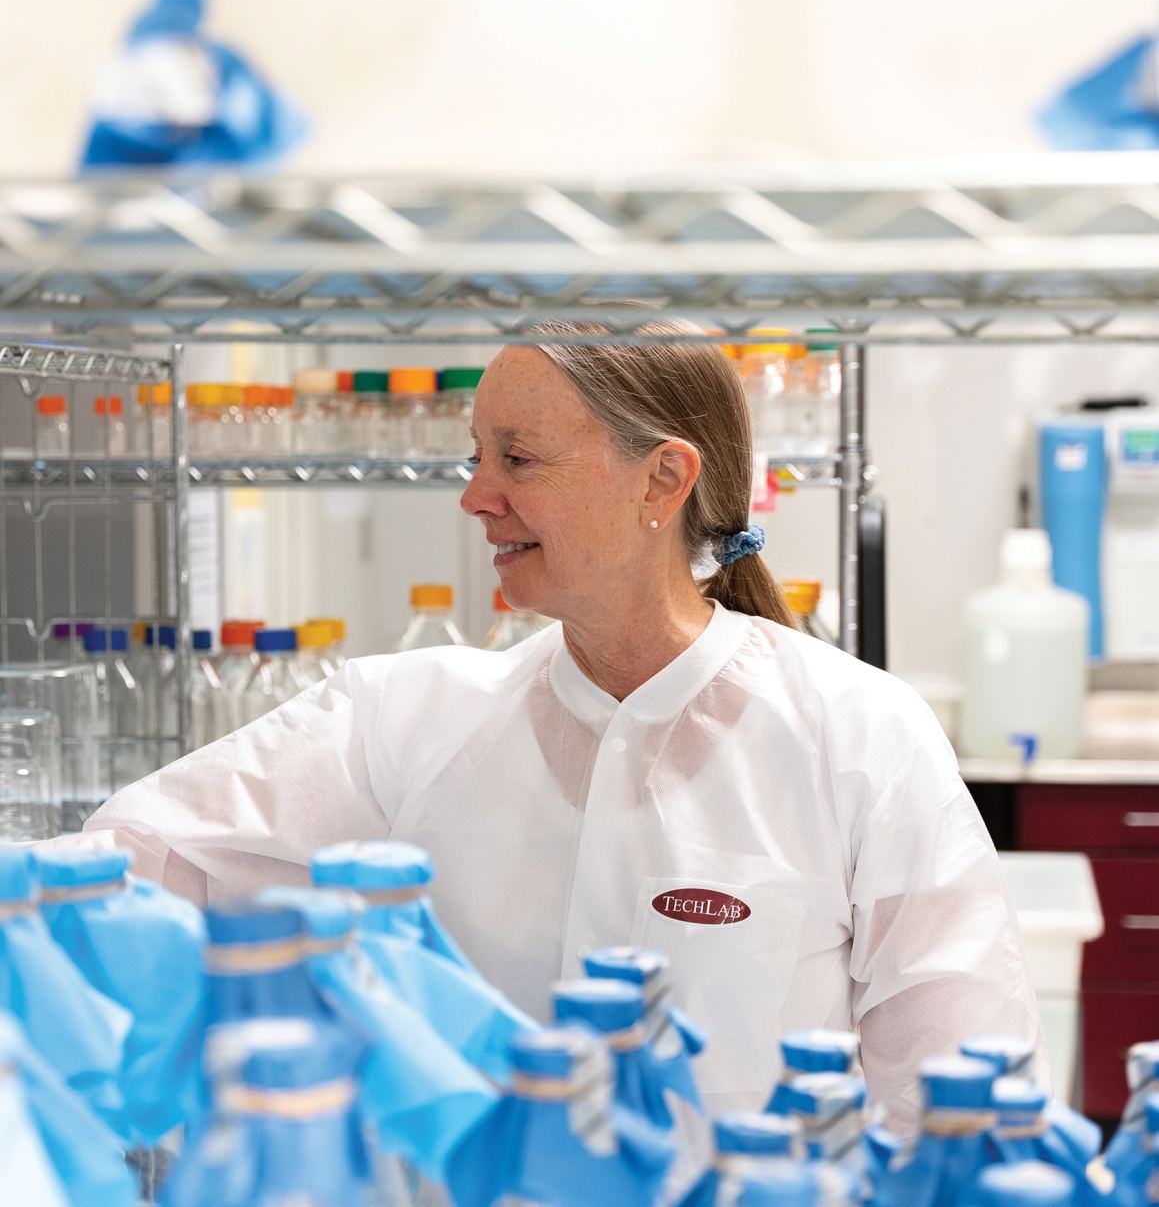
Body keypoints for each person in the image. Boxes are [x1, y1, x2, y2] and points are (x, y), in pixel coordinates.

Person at [80, 320, 1042, 1132]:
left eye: (518, 459)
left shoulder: (854, 733)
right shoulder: (405, 717)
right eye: (476, 456)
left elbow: (958, 1074)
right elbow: (134, 864)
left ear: (661, 482)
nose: (474, 495)